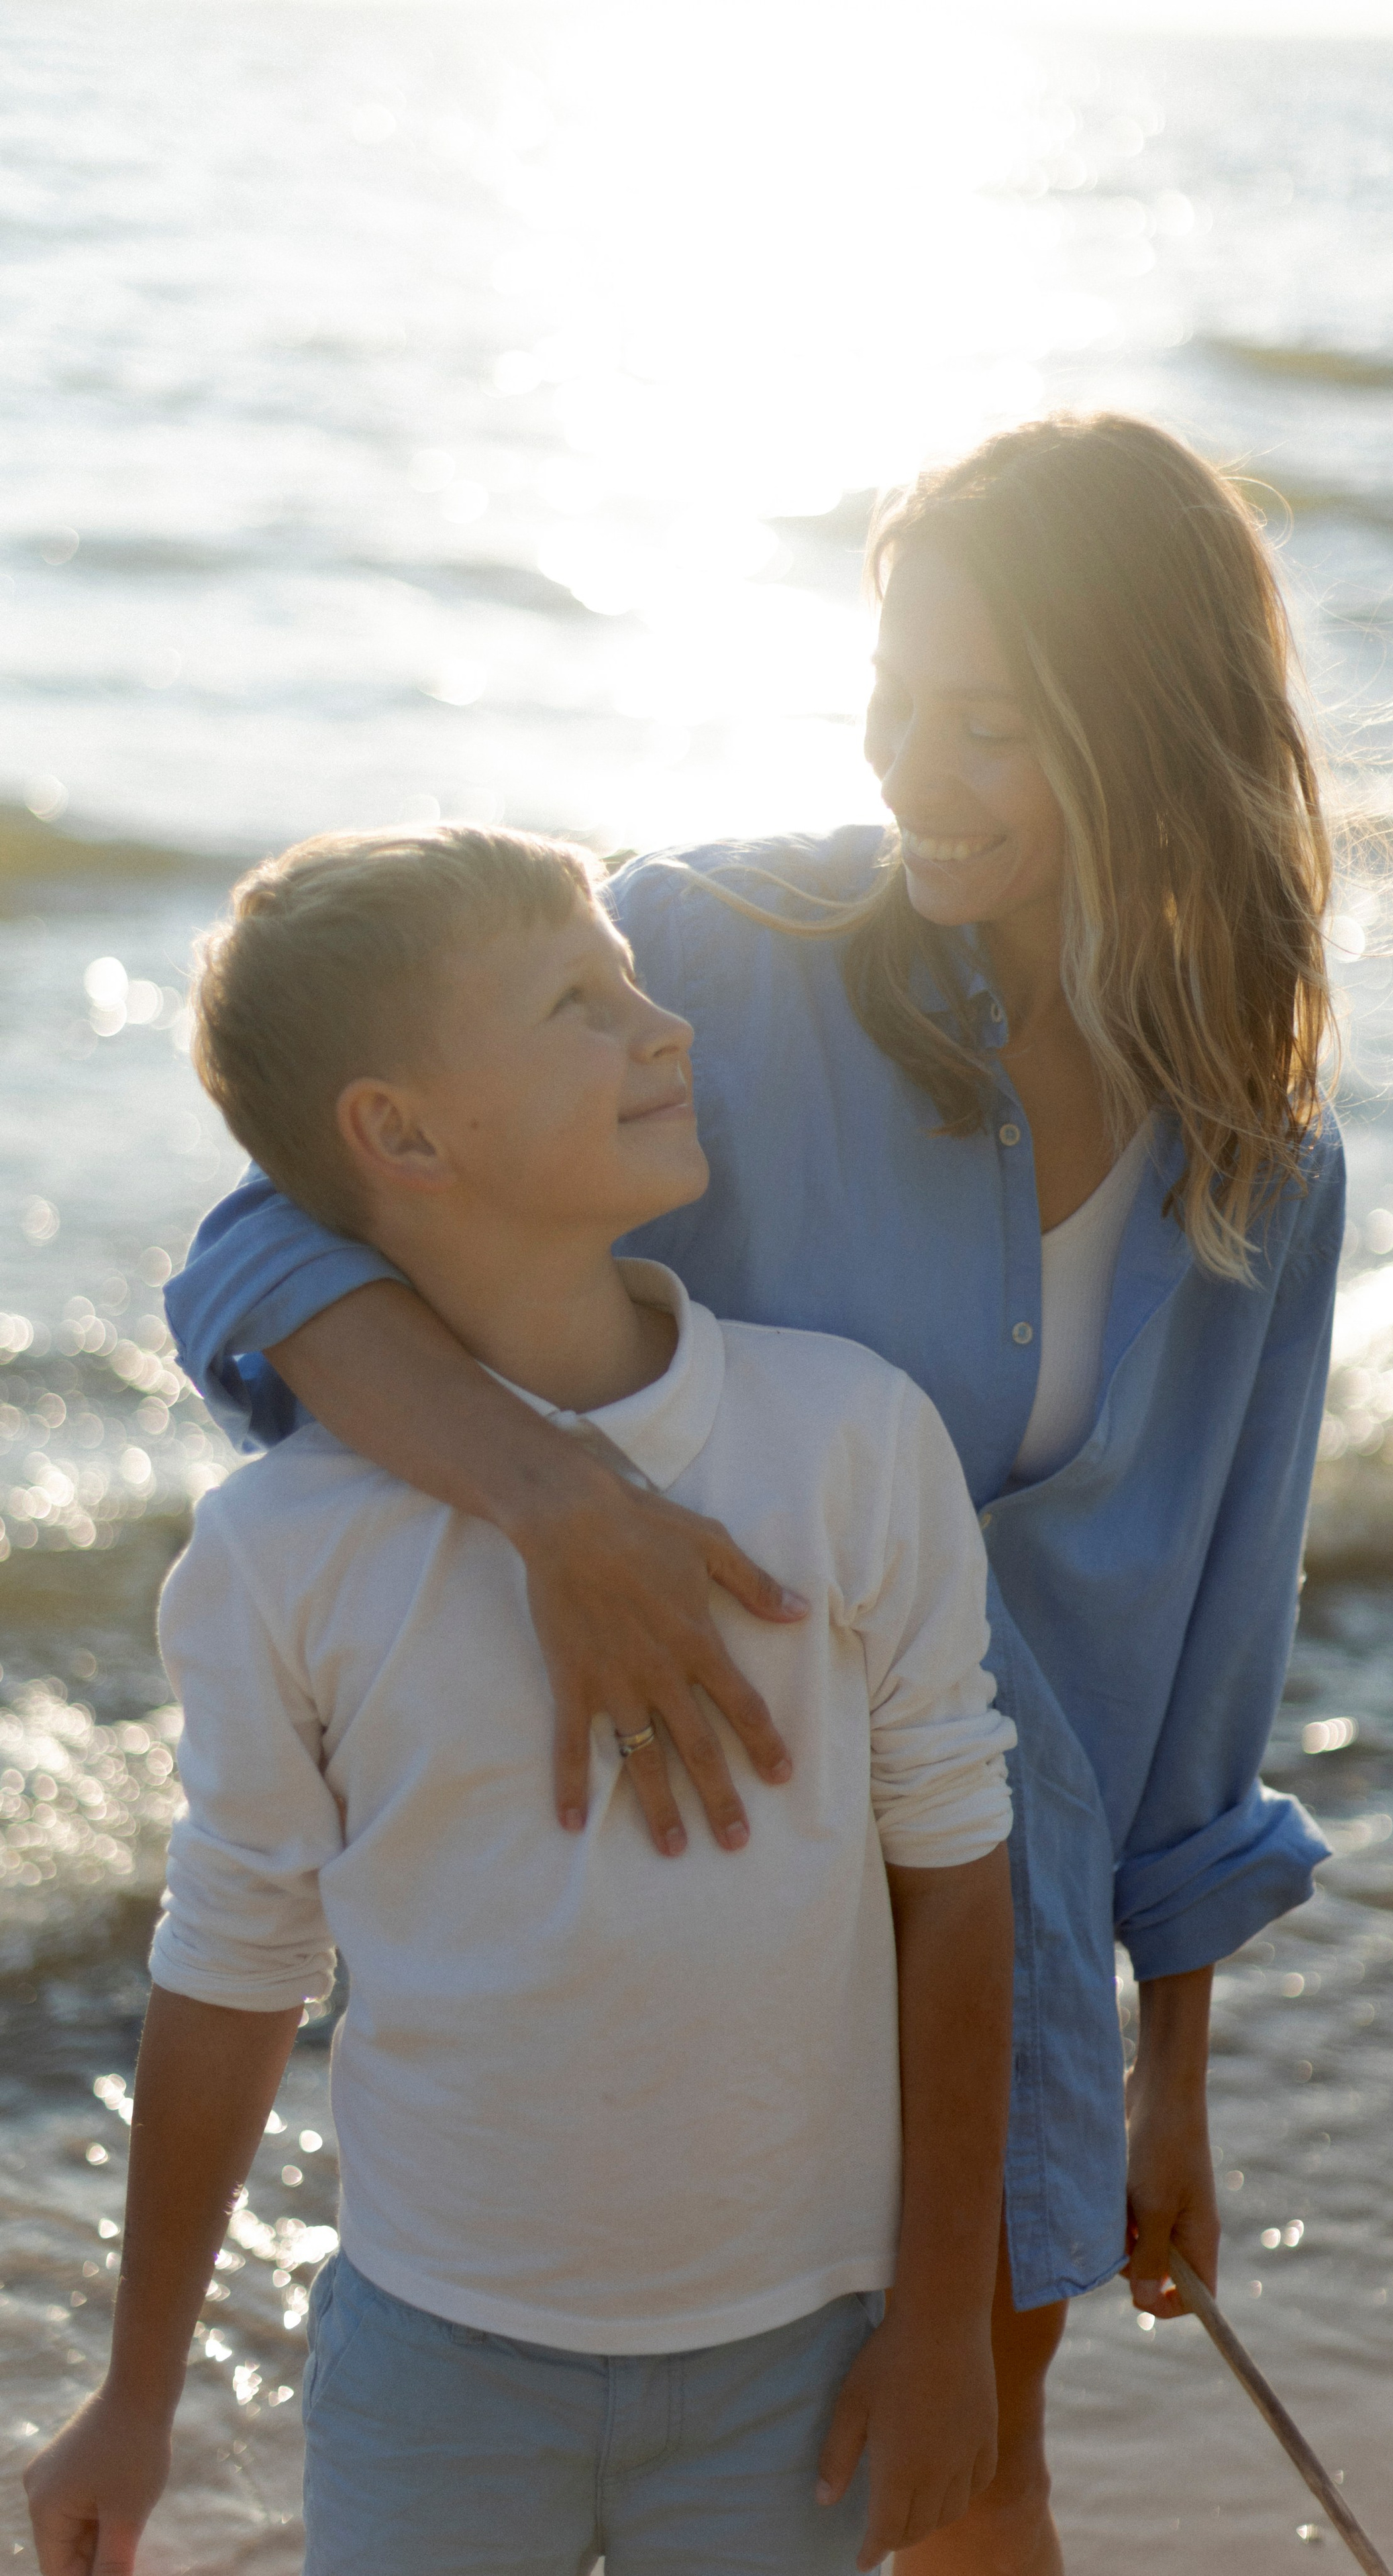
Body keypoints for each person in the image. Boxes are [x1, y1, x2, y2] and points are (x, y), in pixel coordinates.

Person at [163, 411, 1345, 2574]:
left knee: (978, 2489)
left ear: (1147, 725)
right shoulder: (713, 948)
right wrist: (557, 1504)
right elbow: (265, 1252)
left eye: (990, 725)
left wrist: (1174, 2061)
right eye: (897, 705)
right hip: (695, 1914)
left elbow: (1210, 1643)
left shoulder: (1263, 1144)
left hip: (1001, 1942)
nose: (918, 775)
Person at [23, 827, 1018, 2576]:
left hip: (794, 2351)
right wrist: (137, 2390)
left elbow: (955, 1879)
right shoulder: (281, 1552)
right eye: (581, 1001)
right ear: (398, 1134)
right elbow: (234, 1955)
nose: (667, 1026)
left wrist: (943, 2318)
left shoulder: (850, 1442)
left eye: (635, 981)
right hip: (433, 2362)